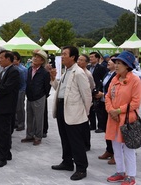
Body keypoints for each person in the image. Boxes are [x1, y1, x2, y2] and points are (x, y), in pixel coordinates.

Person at [50, 46, 92, 181]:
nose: (62, 56)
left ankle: (81, 168)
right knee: (65, 137)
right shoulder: (66, 71)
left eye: (64, 54)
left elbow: (87, 95)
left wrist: (84, 112)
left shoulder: (79, 73)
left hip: (74, 111)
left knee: (76, 141)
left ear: (72, 57)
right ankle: (67, 162)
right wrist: (53, 79)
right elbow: (60, 90)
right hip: (63, 107)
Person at [105, 51, 141, 185]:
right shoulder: (115, 79)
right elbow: (107, 96)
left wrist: (118, 110)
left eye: (119, 63)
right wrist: (110, 110)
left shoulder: (135, 80)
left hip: (127, 119)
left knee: (128, 148)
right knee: (115, 146)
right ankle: (120, 172)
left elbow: (135, 102)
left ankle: (131, 176)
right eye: (116, 63)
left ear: (127, 65)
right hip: (113, 118)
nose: (116, 65)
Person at [0, 50, 20, 168]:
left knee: (4, 132)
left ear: (8, 59)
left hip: (6, 107)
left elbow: (6, 88)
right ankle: (6, 153)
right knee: (0, 131)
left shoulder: (13, 72)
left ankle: (3, 157)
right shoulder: (4, 71)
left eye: (2, 57)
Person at [21, 49, 51, 146]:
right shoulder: (30, 69)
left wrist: (43, 95)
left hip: (39, 97)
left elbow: (47, 87)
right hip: (29, 96)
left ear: (42, 61)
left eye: (38, 57)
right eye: (35, 56)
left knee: (38, 118)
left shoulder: (44, 72)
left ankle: (38, 136)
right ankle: (29, 135)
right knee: (29, 117)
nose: (35, 58)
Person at [95, 54, 118, 165]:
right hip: (104, 104)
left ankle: (115, 154)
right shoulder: (107, 73)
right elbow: (102, 85)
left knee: (114, 131)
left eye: (113, 61)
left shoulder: (118, 76)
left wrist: (103, 94)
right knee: (106, 128)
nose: (109, 62)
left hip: (113, 107)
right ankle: (109, 150)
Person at [77, 54, 95, 151]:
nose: (79, 61)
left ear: (86, 63)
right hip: (78, 102)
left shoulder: (87, 74)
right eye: (78, 59)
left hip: (86, 102)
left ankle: (86, 144)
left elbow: (91, 87)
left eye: (81, 60)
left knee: (85, 125)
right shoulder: (77, 72)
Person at [88, 51, 108, 132]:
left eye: (92, 57)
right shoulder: (88, 67)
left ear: (97, 58)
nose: (91, 58)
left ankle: (101, 126)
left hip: (98, 90)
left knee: (99, 109)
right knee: (90, 108)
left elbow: (103, 79)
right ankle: (92, 125)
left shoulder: (101, 68)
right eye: (90, 57)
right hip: (89, 90)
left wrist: (100, 90)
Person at [12, 51, 28, 132]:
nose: (13, 61)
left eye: (14, 59)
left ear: (18, 60)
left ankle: (21, 124)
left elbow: (25, 81)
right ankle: (15, 122)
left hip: (21, 90)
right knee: (14, 108)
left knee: (20, 108)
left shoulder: (22, 70)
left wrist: (23, 92)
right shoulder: (12, 68)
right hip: (14, 91)